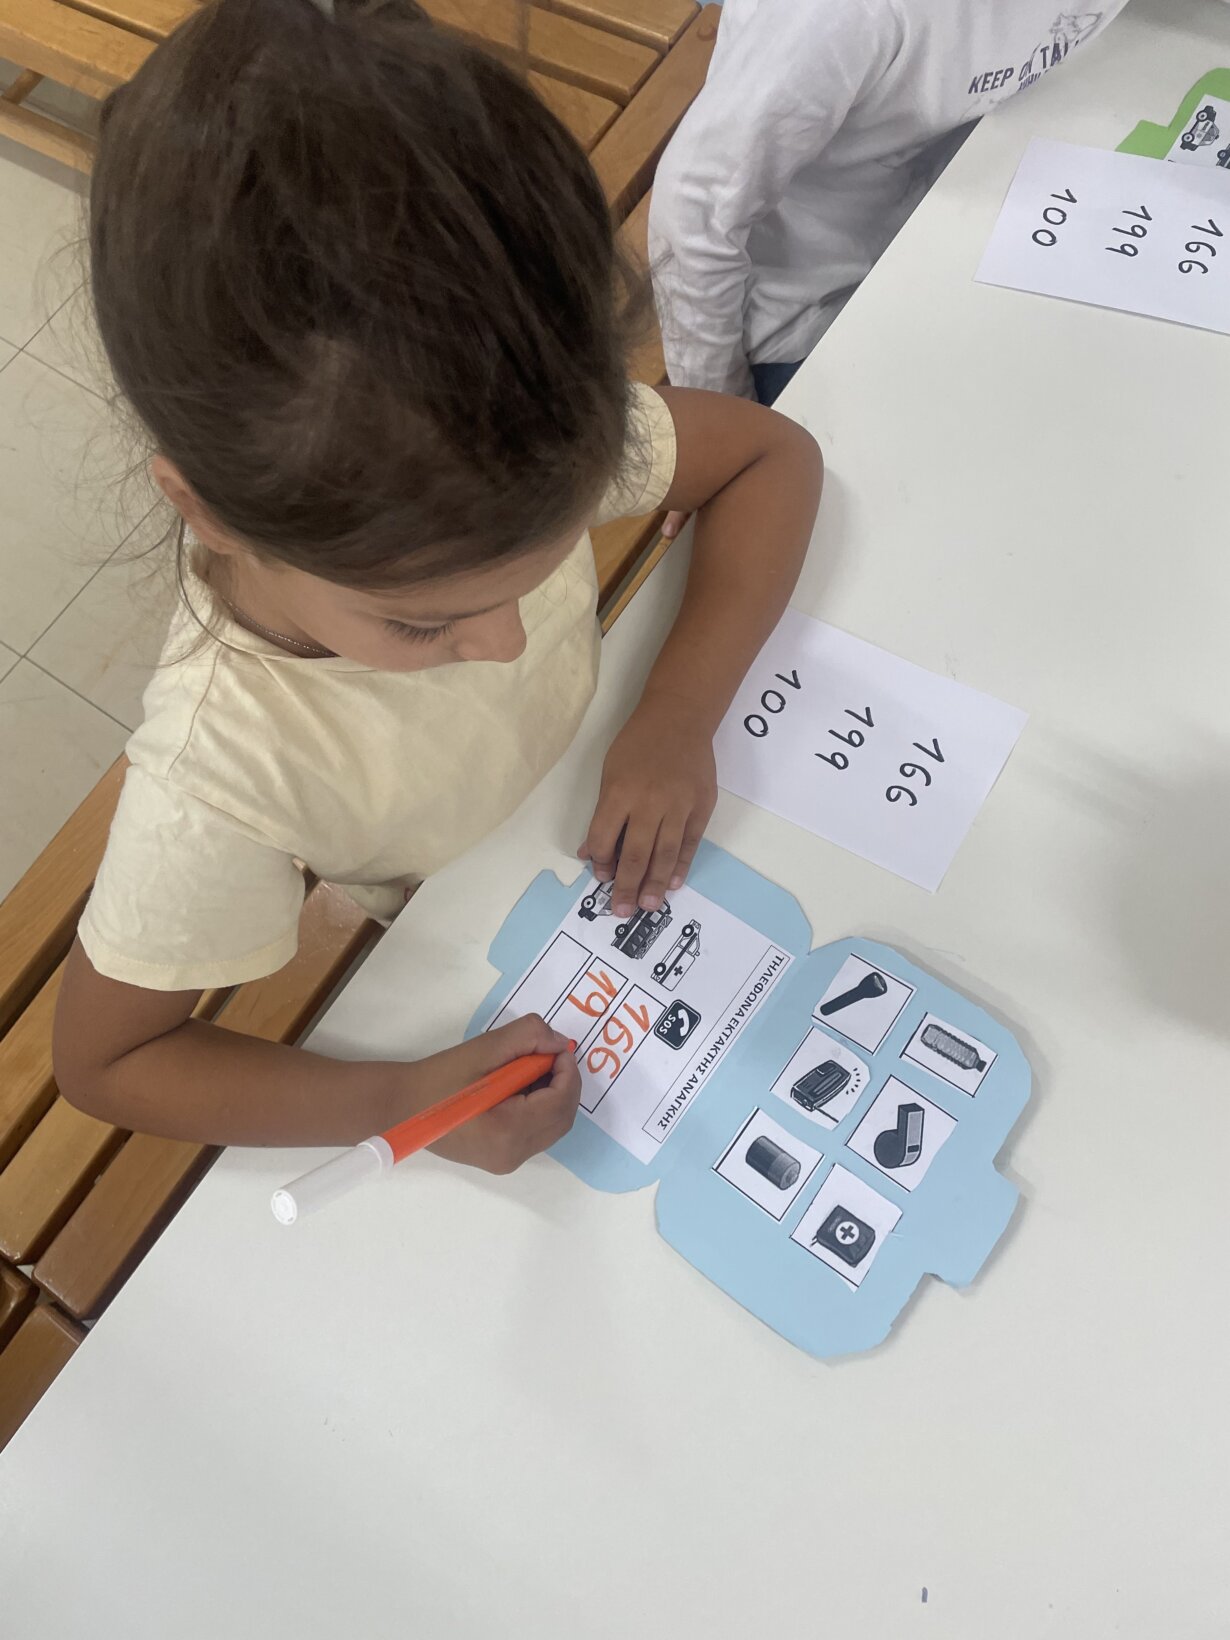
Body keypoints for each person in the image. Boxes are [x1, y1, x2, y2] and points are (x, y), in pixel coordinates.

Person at [52, 0, 823, 1172]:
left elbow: (772, 458)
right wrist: (404, 1095)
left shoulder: (513, 436)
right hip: (457, 920)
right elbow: (109, 1061)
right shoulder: (221, 775)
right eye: (423, 622)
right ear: (209, 512)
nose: (508, 642)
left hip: (576, 827)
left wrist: (677, 712)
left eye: (544, 562)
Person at [650, 1, 1131, 404]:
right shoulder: (837, 16)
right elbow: (694, 208)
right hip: (813, 310)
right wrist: (723, 420)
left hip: (963, 224)